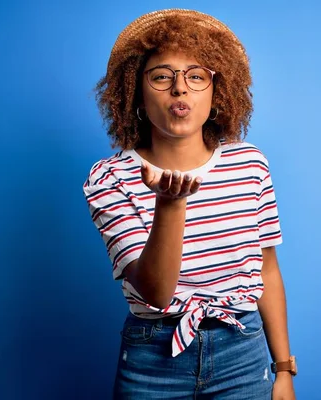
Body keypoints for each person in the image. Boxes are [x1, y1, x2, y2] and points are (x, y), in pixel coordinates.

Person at [82, 9, 297, 399]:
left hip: (243, 352)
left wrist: (283, 369)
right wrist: (170, 204)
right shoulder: (109, 178)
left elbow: (267, 268)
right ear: (136, 93)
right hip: (153, 357)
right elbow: (157, 293)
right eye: (163, 76)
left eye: (196, 76)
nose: (180, 88)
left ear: (217, 93)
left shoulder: (250, 164)